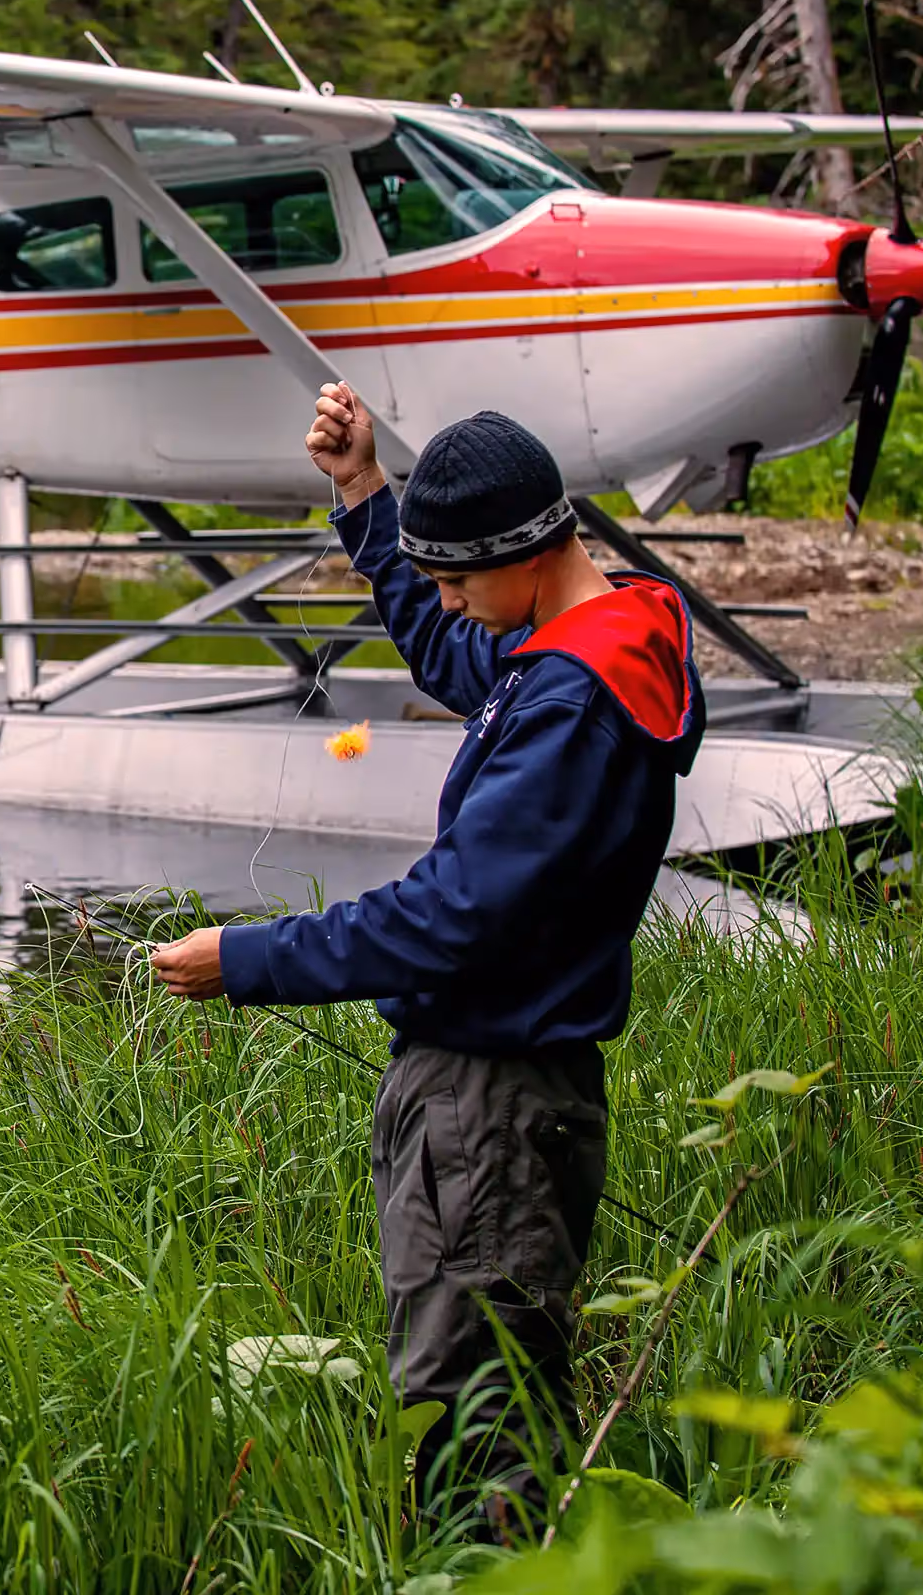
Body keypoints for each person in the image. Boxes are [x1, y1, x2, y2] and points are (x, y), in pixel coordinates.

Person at [149, 381, 703, 1537]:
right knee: (500, 1404)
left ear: (524, 556)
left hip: (488, 1111)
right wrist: (363, 493)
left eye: (456, 579)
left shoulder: (566, 709)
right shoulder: (597, 638)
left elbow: (453, 916)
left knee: (471, 1432)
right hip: (513, 1098)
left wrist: (247, 959)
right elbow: (465, 656)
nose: (453, 608)